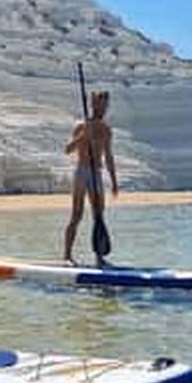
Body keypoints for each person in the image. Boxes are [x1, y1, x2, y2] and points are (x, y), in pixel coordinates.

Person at [63, 89, 118, 266]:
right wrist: (82, 136)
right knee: (76, 215)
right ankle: (67, 256)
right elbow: (68, 150)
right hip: (82, 171)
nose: (103, 108)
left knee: (99, 216)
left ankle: (99, 257)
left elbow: (108, 156)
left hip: (97, 172)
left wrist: (114, 181)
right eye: (101, 104)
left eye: (106, 105)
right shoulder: (81, 126)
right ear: (93, 104)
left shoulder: (106, 130)